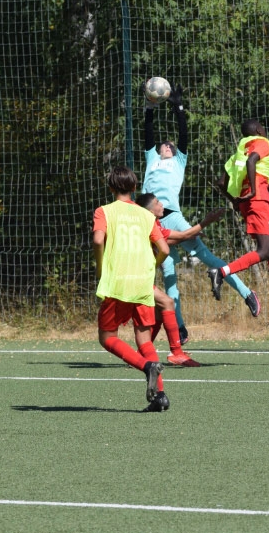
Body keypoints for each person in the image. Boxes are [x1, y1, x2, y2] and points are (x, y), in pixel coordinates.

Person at [142, 86, 261, 345]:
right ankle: (180, 328)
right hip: (150, 222)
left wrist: (178, 108)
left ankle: (246, 293)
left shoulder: (178, 161)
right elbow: (148, 132)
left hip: (171, 217)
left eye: (171, 145)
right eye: (164, 144)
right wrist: (150, 108)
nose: (167, 145)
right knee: (168, 273)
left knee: (207, 258)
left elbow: (183, 134)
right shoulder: (151, 158)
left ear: (175, 152)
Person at [207, 118, 269, 317]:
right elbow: (252, 160)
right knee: (263, 251)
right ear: (258, 130)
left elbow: (221, 182)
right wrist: (254, 190)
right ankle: (221, 272)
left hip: (247, 202)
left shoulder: (239, 152)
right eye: (262, 127)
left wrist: (235, 201)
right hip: (258, 199)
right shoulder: (262, 143)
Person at [92, 165, 170, 412]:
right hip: (143, 284)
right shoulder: (146, 216)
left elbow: (97, 239)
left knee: (107, 337)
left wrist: (100, 267)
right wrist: (152, 267)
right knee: (144, 339)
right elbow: (165, 249)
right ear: (135, 188)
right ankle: (160, 396)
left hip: (118, 284)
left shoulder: (104, 211)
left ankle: (147, 367)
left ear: (111, 188)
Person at [135, 193, 225, 367]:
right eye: (157, 203)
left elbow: (177, 237)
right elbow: (177, 239)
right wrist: (205, 222)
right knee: (168, 303)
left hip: (139, 276)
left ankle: (141, 355)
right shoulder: (150, 225)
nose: (162, 205)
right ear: (150, 211)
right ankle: (176, 353)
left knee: (160, 310)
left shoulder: (153, 224)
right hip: (136, 277)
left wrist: (190, 234)